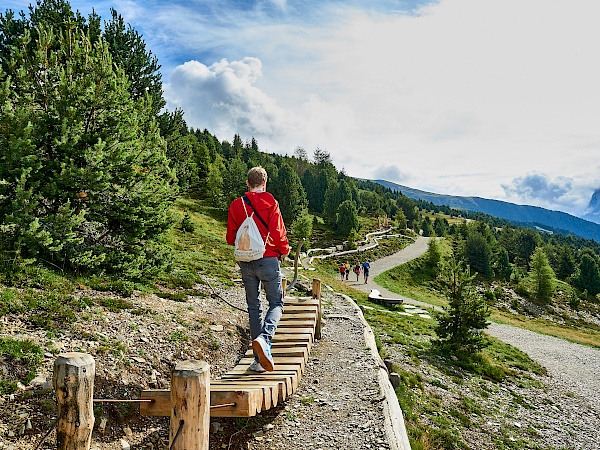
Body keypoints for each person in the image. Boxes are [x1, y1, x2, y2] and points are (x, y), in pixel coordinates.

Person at [226, 167, 290, 373]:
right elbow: (278, 233)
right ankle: (265, 338)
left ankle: (257, 361)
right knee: (277, 303)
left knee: (254, 307)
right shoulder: (271, 202)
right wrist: (284, 250)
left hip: (246, 261)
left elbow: (230, 238)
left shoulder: (237, 205)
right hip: (268, 259)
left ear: (247, 183)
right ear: (265, 183)